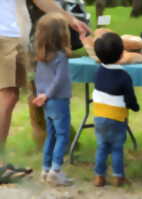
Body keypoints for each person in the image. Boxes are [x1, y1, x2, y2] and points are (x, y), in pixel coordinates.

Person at [0, 0, 89, 153]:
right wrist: (70, 19)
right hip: (6, 35)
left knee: (8, 96)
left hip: (11, 34)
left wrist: (70, 19)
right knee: (8, 96)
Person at [92, 32, 140, 187]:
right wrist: (135, 107)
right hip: (117, 118)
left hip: (99, 116)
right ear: (121, 54)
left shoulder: (98, 72)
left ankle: (99, 176)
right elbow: (130, 98)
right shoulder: (123, 76)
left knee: (102, 146)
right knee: (117, 148)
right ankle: (118, 176)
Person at [32, 12, 73, 186]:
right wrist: (48, 94)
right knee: (62, 136)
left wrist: (41, 95)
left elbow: (38, 78)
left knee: (51, 136)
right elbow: (59, 79)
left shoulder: (41, 57)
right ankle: (56, 170)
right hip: (57, 100)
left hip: (46, 102)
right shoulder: (61, 56)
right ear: (62, 34)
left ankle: (45, 169)